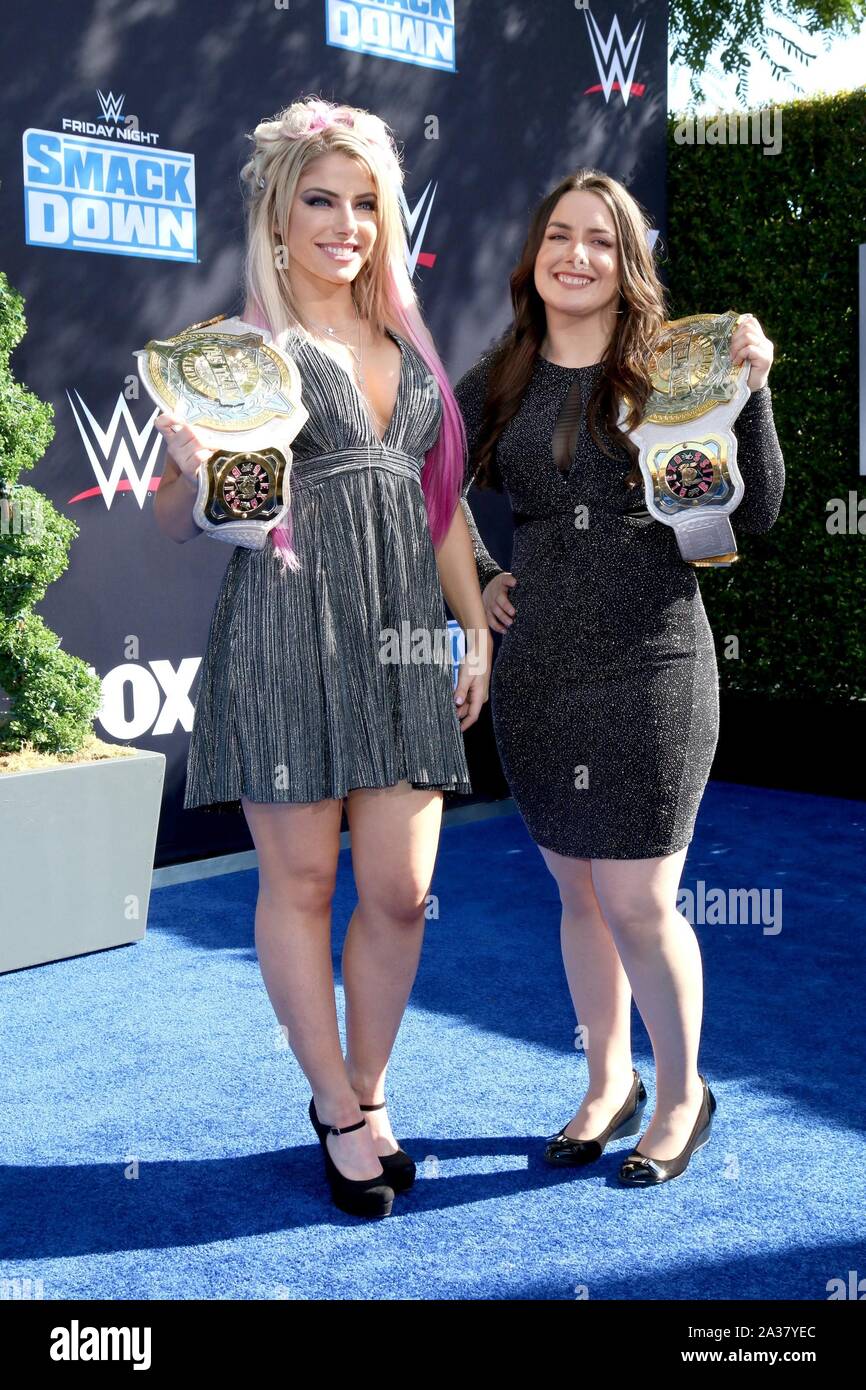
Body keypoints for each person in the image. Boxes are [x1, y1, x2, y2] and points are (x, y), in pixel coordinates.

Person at [153, 96, 491, 1217]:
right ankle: (339, 1110)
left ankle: (370, 1084)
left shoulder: (407, 348)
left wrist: (473, 625)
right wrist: (191, 466)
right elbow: (186, 517)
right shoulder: (246, 354)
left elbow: (439, 510)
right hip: (285, 629)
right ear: (277, 211)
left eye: (364, 203)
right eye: (320, 200)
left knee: (399, 892)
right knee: (299, 882)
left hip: (400, 645)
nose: (344, 224)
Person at [455, 169, 785, 1186]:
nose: (576, 254)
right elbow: (426, 483)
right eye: (559, 234)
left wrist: (753, 392)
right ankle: (607, 1082)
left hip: (652, 662)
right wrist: (475, 572)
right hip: (541, 672)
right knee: (576, 894)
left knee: (638, 898)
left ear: (626, 259)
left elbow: (753, 513)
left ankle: (682, 1092)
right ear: (534, 253)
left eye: (600, 239)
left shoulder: (673, 366)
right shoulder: (502, 375)